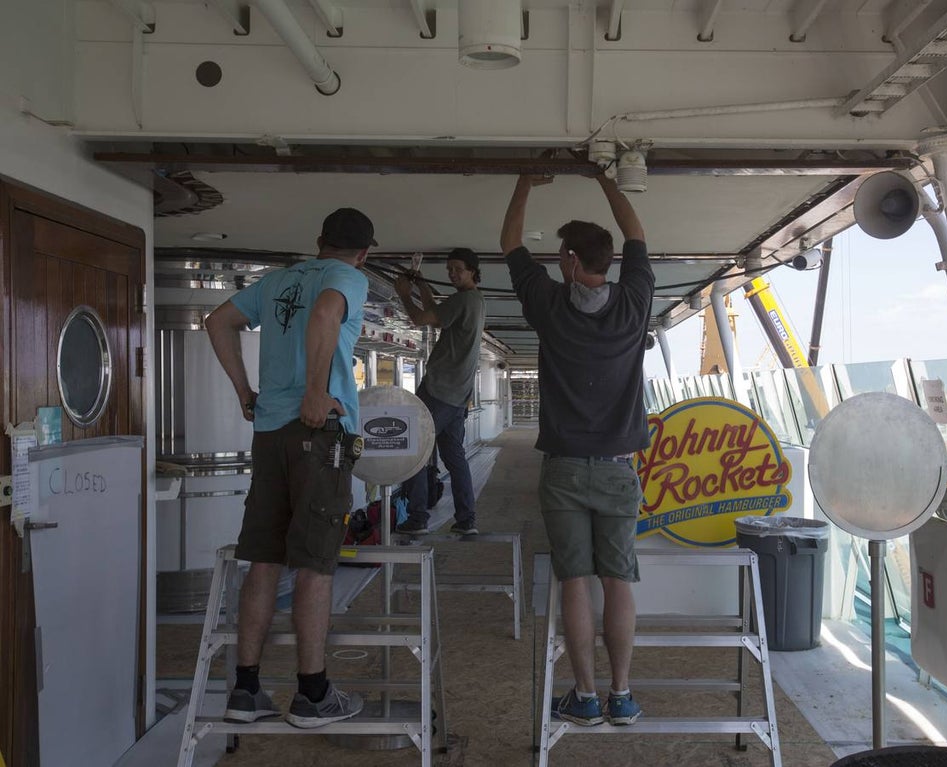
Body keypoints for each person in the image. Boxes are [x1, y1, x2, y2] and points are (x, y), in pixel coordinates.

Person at [205, 207, 372, 729]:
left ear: (319, 240)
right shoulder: (347, 277)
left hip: (270, 432)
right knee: (316, 564)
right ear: (366, 252)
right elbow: (325, 315)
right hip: (319, 436)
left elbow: (217, 321)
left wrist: (244, 392)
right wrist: (318, 393)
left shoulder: (274, 281)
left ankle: (247, 689)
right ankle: (313, 694)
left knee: (264, 559)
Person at [500, 173, 654, 726]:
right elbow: (635, 234)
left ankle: (584, 696)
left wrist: (524, 184)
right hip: (618, 471)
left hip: (563, 468)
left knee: (574, 581)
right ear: (610, 261)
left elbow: (510, 244)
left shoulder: (550, 306)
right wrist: (605, 178)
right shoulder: (635, 304)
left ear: (567, 261)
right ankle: (622, 694)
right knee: (618, 582)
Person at [393, 248, 486, 536]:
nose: (452, 274)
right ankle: (466, 519)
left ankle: (418, 516)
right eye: (449, 269)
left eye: (458, 269)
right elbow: (437, 316)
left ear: (473, 271)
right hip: (458, 396)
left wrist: (404, 293)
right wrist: (421, 283)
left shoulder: (462, 299)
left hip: (438, 390)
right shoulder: (475, 301)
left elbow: (421, 319)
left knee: (417, 451)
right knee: (454, 456)